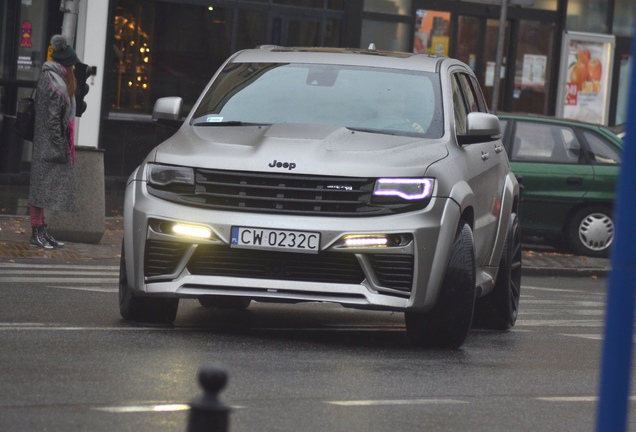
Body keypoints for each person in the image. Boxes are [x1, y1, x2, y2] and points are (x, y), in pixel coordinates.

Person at [28, 35, 80, 249]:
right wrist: (59, 144)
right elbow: (51, 118)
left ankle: (43, 230)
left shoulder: (56, 77)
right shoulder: (51, 79)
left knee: (44, 190)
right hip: (48, 143)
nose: (74, 68)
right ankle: (36, 233)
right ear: (65, 63)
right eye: (72, 64)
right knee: (39, 190)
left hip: (50, 142)